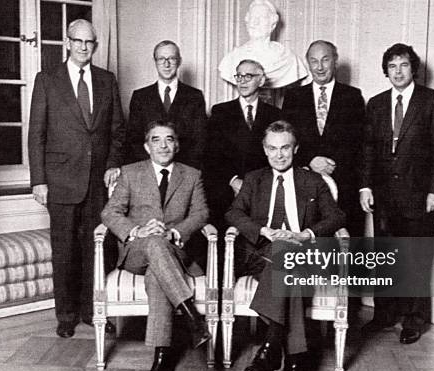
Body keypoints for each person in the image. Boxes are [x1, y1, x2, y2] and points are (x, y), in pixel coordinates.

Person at [225, 120, 345, 371]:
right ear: (265, 150)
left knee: (289, 256)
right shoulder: (254, 179)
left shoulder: (312, 181)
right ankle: (294, 365)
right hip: (261, 253)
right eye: (272, 148)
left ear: (296, 148)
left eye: (285, 148)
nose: (279, 155)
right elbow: (233, 213)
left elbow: (337, 216)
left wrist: (307, 234)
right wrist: (263, 230)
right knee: (284, 255)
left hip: (303, 252)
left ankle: (271, 346)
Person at [28, 19, 125, 338]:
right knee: (65, 250)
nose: (85, 47)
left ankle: (90, 311)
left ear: (95, 46)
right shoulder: (47, 79)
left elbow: (117, 132)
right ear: (67, 42)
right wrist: (39, 180)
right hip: (59, 181)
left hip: (99, 182)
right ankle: (66, 316)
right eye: (79, 41)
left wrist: (112, 164)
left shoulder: (107, 80)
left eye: (91, 42)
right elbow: (36, 134)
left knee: (97, 249)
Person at [101, 121, 210, 371]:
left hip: (174, 249)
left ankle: (161, 358)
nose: (163, 145)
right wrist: (137, 230)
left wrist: (174, 232)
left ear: (177, 144)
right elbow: (109, 213)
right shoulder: (130, 173)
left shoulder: (191, 175)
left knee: (157, 273)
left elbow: (201, 214)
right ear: (146, 146)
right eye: (156, 140)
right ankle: (191, 316)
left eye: (169, 139)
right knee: (152, 242)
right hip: (138, 249)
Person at [359, 43, 434, 344]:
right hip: (384, 196)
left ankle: (413, 319)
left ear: (414, 69)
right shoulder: (376, 103)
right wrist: (366, 186)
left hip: (419, 195)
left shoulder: (432, 101)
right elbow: (368, 149)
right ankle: (384, 314)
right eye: (392, 66)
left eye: (404, 65)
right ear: (386, 70)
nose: (398, 71)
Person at [282, 40, 366, 236]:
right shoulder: (294, 97)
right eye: (314, 61)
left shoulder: (353, 96)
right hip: (304, 184)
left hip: (344, 185)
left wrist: (331, 164)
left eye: (325, 60)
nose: (319, 67)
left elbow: (360, 143)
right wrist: (310, 160)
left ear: (335, 61)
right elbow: (286, 140)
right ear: (308, 64)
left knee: (347, 251)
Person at [205, 59, 281, 226]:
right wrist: (233, 180)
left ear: (261, 80)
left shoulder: (275, 115)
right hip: (227, 190)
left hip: (263, 191)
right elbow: (212, 155)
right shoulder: (220, 112)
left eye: (248, 76)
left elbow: (278, 157)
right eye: (239, 76)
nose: (242, 81)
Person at [127, 40, 207, 169]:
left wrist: (178, 170)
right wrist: (154, 168)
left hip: (184, 171)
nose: (166, 64)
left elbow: (199, 141)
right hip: (149, 172)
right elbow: (134, 140)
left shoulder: (195, 97)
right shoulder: (140, 97)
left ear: (179, 61)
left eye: (171, 58)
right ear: (155, 62)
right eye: (161, 59)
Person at [218, 0, 307, 88]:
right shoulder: (232, 58)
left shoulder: (288, 58)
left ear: (273, 24)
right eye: (252, 17)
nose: (255, 22)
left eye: (262, 18)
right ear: (247, 21)